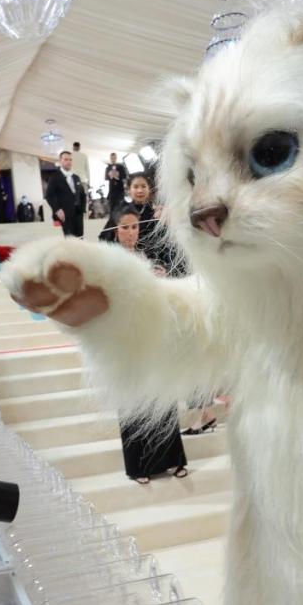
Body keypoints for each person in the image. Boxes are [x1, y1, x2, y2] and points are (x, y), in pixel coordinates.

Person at [108, 207, 187, 484]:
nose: (131, 232)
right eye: (125, 227)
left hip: (153, 333)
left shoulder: (148, 256)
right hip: (125, 337)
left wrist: (161, 279)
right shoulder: (108, 261)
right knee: (133, 398)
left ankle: (173, 458)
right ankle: (138, 466)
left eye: (134, 227)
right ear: (115, 229)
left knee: (162, 395)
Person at [46, 150, 87, 238]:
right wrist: (57, 210)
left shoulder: (76, 177)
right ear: (60, 161)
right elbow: (49, 195)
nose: (69, 162)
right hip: (65, 214)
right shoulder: (55, 177)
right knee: (69, 239)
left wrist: (83, 209)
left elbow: (82, 194)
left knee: (80, 237)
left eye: (70, 160)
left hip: (78, 213)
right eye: (66, 159)